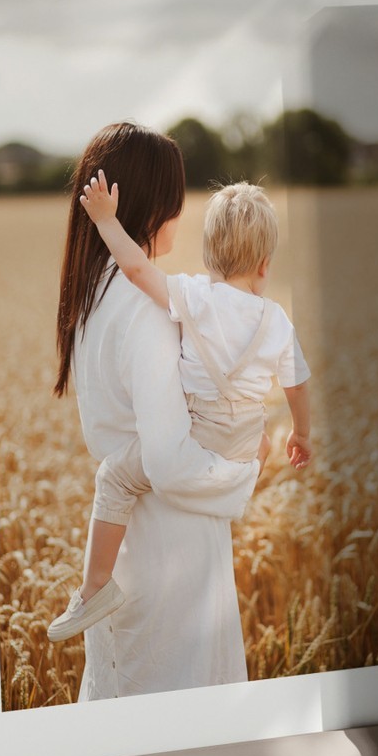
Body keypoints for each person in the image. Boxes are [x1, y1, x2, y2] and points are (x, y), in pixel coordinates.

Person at [49, 173, 313, 640]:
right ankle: (246, 469)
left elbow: (136, 270)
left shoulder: (196, 297)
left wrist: (107, 222)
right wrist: (301, 433)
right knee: (257, 440)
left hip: (200, 432)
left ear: (210, 254)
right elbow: (297, 384)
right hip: (246, 436)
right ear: (265, 265)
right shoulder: (277, 320)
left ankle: (94, 588)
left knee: (115, 476)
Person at [51, 123, 262, 698]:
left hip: (126, 544)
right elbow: (168, 461)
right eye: (175, 194)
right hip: (171, 554)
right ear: (150, 204)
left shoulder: (91, 297)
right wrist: (240, 473)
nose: (182, 209)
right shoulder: (143, 307)